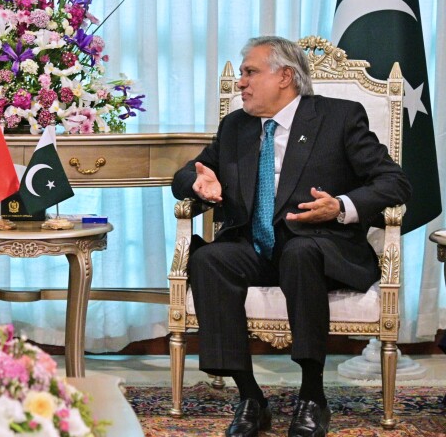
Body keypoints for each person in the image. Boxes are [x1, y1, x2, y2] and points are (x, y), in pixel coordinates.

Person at [171, 36, 411, 437]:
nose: (241, 82)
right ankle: (250, 398)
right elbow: (186, 174)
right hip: (257, 248)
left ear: (285, 76)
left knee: (300, 252)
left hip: (320, 248)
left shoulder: (339, 118)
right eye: (241, 73)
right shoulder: (236, 126)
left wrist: (341, 206)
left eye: (250, 72)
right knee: (209, 259)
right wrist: (198, 183)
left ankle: (313, 396)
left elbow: (394, 182)